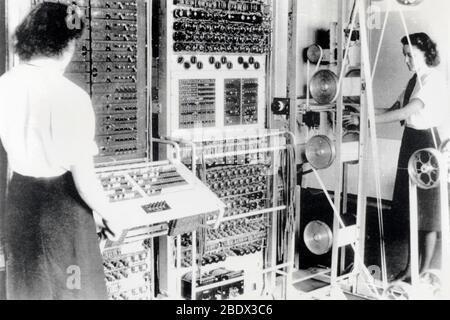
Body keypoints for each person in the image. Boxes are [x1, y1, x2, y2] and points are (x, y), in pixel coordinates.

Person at [0, 2, 123, 299]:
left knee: (29, 291)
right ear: (68, 44)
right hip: (63, 212)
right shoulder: (71, 97)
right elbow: (85, 181)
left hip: (19, 203)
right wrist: (110, 215)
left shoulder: (4, 85)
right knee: (72, 292)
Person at [345, 32, 449, 282]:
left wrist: (366, 120)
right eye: (404, 55)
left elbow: (409, 110)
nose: (406, 60)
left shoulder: (433, 79)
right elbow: (393, 110)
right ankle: (410, 269)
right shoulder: (415, 79)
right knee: (411, 209)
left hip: (427, 146)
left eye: (410, 55)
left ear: (426, 53)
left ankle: (423, 271)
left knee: (428, 211)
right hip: (410, 143)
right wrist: (361, 108)